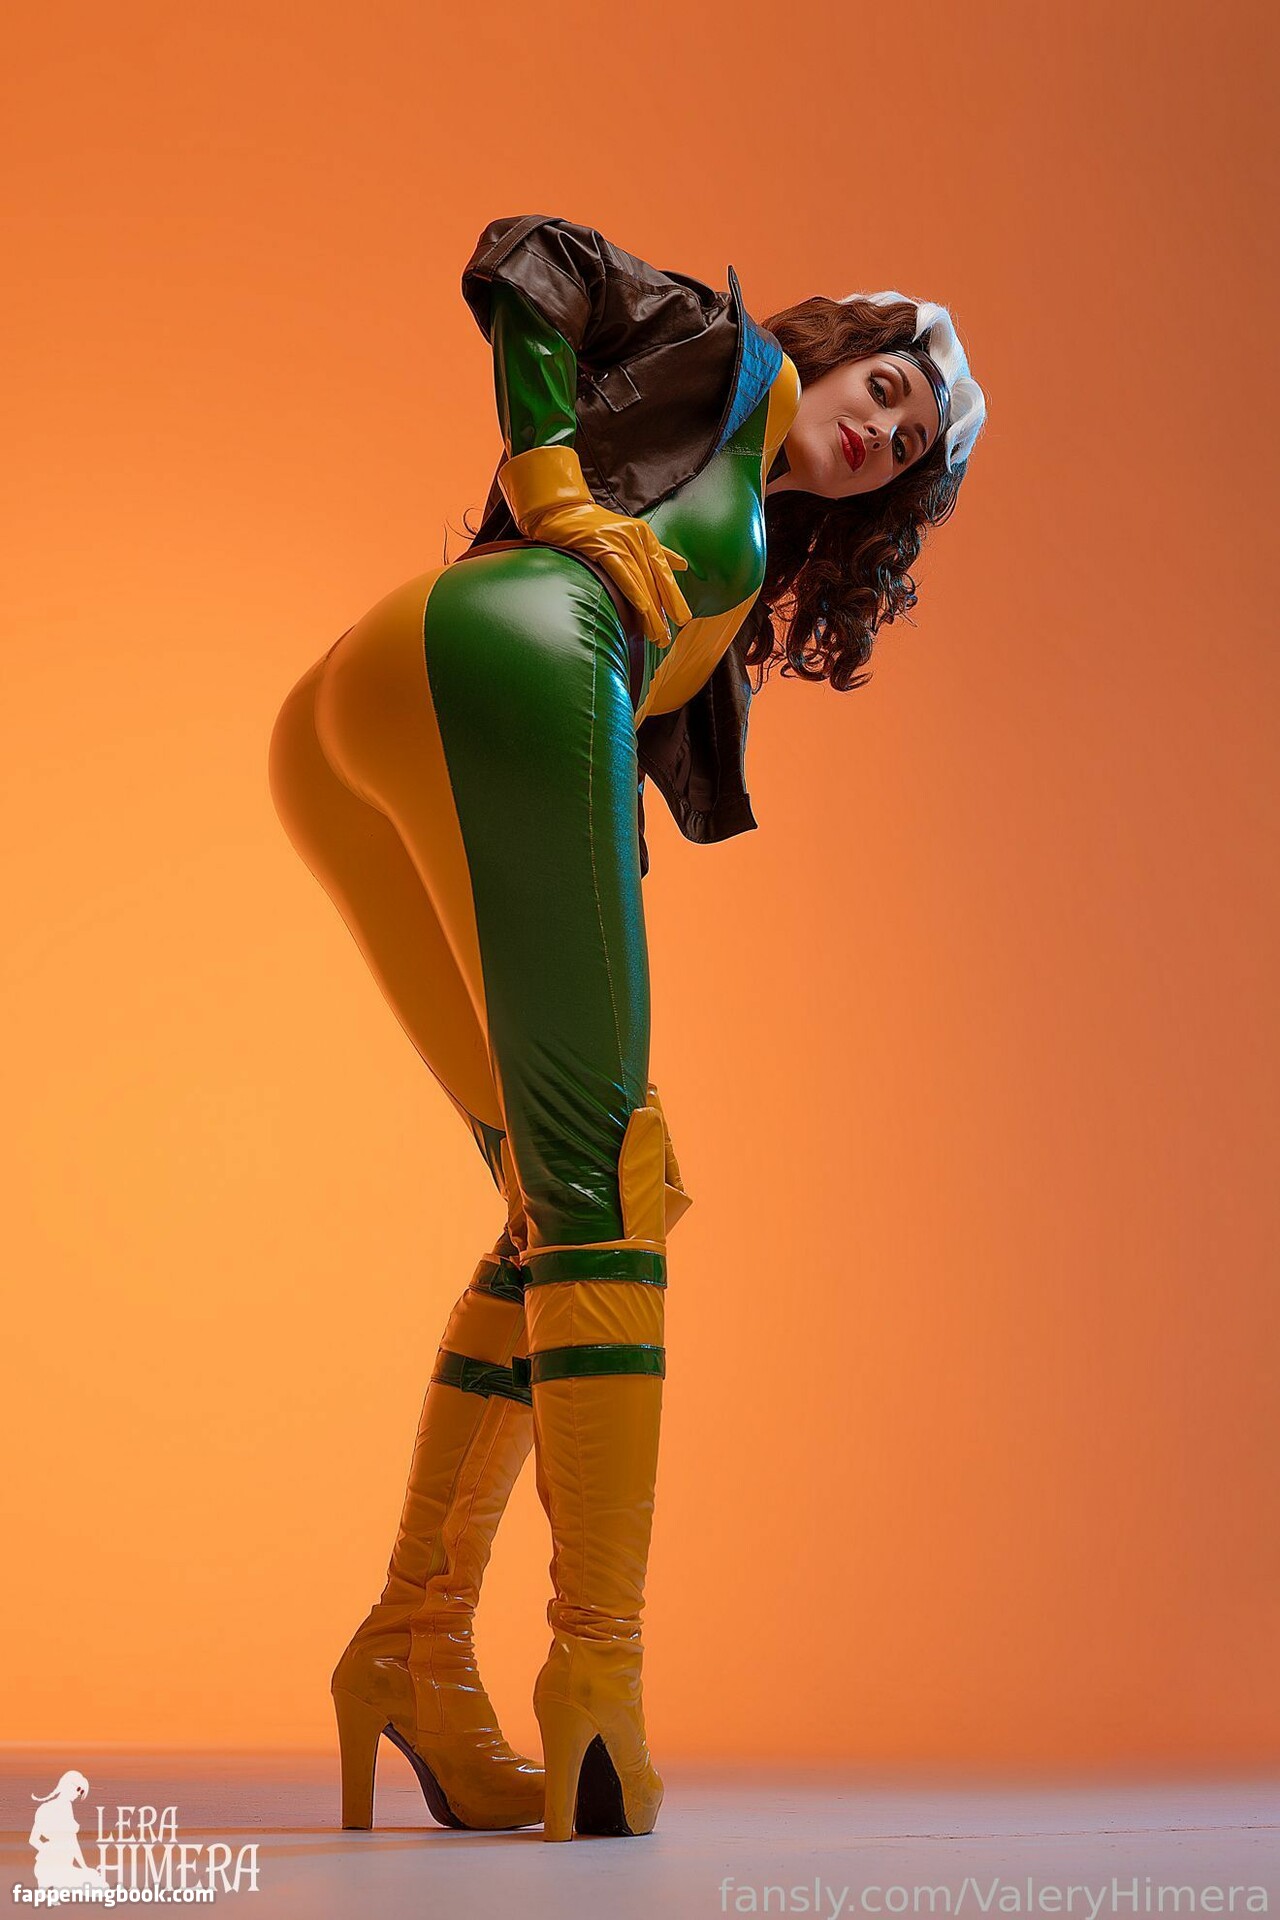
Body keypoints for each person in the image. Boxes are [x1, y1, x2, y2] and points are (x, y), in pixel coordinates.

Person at [267, 213, 987, 1845]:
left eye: (906, 448)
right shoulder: (731, 362)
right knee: (613, 1187)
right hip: (510, 648)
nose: (880, 431)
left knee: (557, 1202)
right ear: (834, 347)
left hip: (353, 711)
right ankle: (597, 1678)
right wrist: (554, 487)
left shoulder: (738, 532)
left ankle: (409, 1647)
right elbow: (534, 255)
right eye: (886, 387)